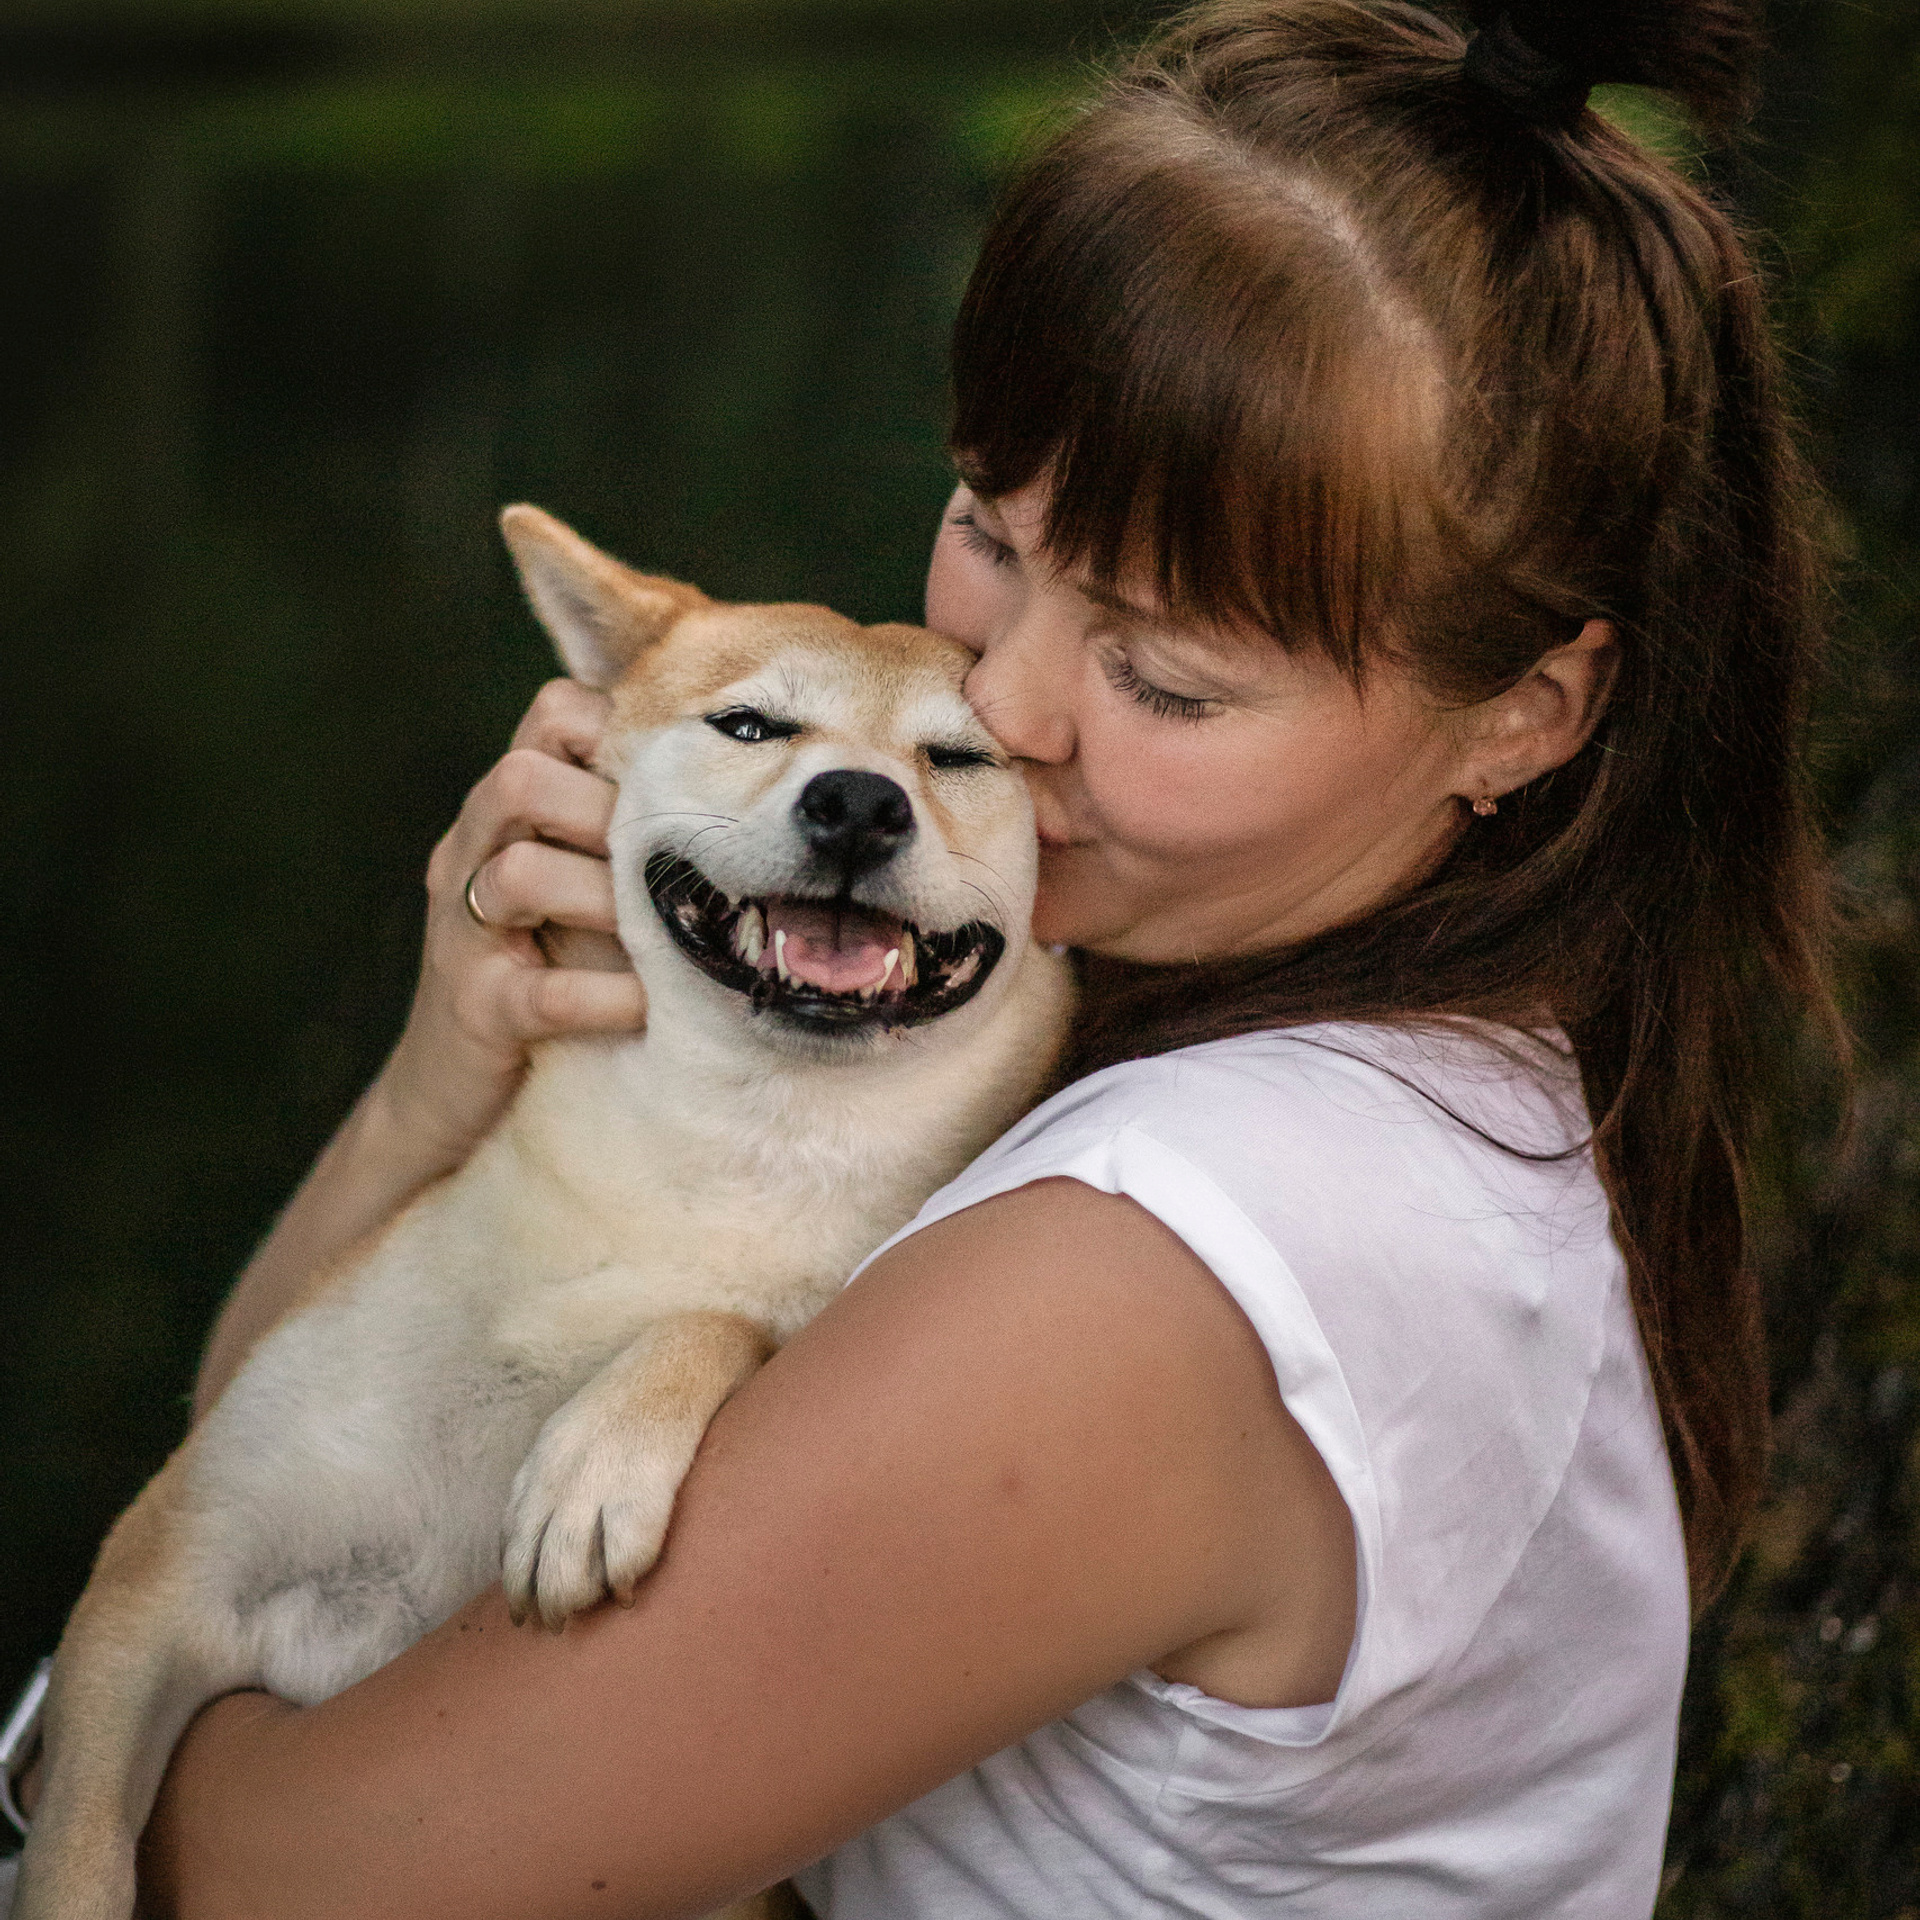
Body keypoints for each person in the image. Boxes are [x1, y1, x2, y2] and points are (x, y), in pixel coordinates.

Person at [44, 0, 1834, 1913]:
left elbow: (282, 1874)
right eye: (991, 529)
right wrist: (442, 1086)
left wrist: (91, 1708)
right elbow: (271, 1475)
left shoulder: (1184, 1253)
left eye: (1167, 675)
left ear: (1527, 717)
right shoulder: (1358, 1061)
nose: (1011, 704)